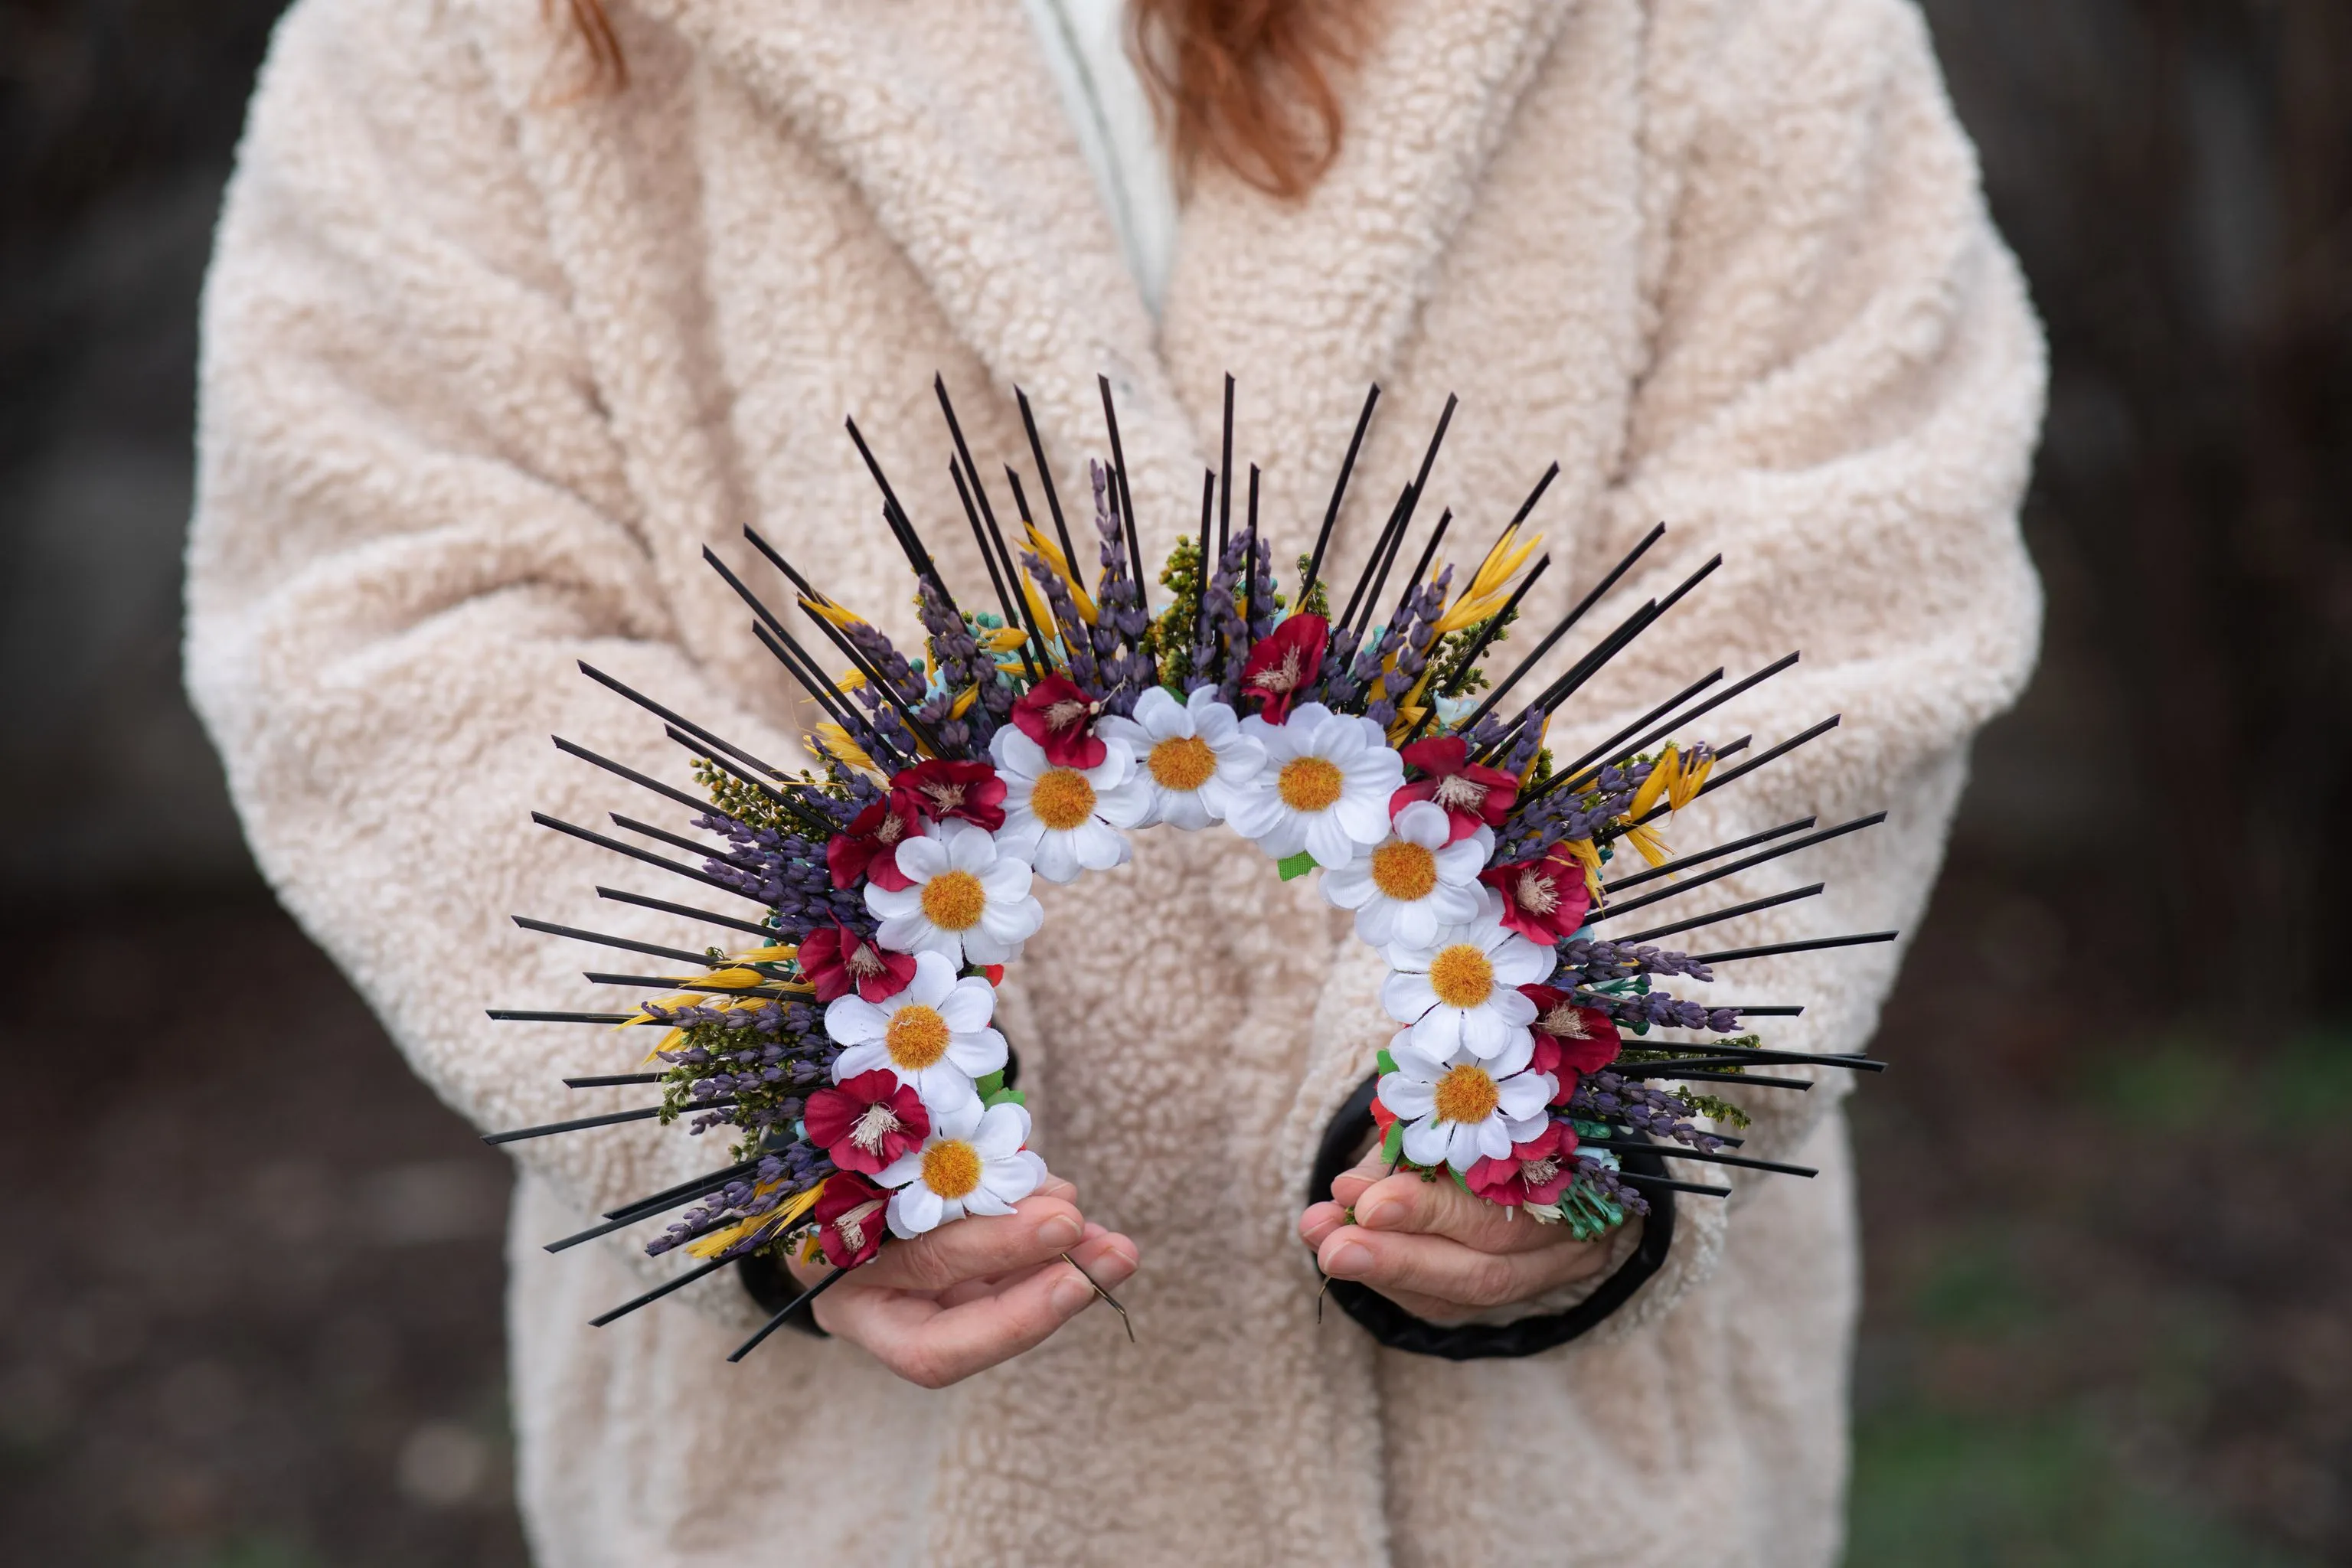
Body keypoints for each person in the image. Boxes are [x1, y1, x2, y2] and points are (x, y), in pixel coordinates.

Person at [185, 0, 2043, 1562]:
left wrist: (1556, 1084)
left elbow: (1843, 557)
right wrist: (790, 1088)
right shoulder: (451, 33)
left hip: (1546, 1482)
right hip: (838, 1490)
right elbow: (393, 614)